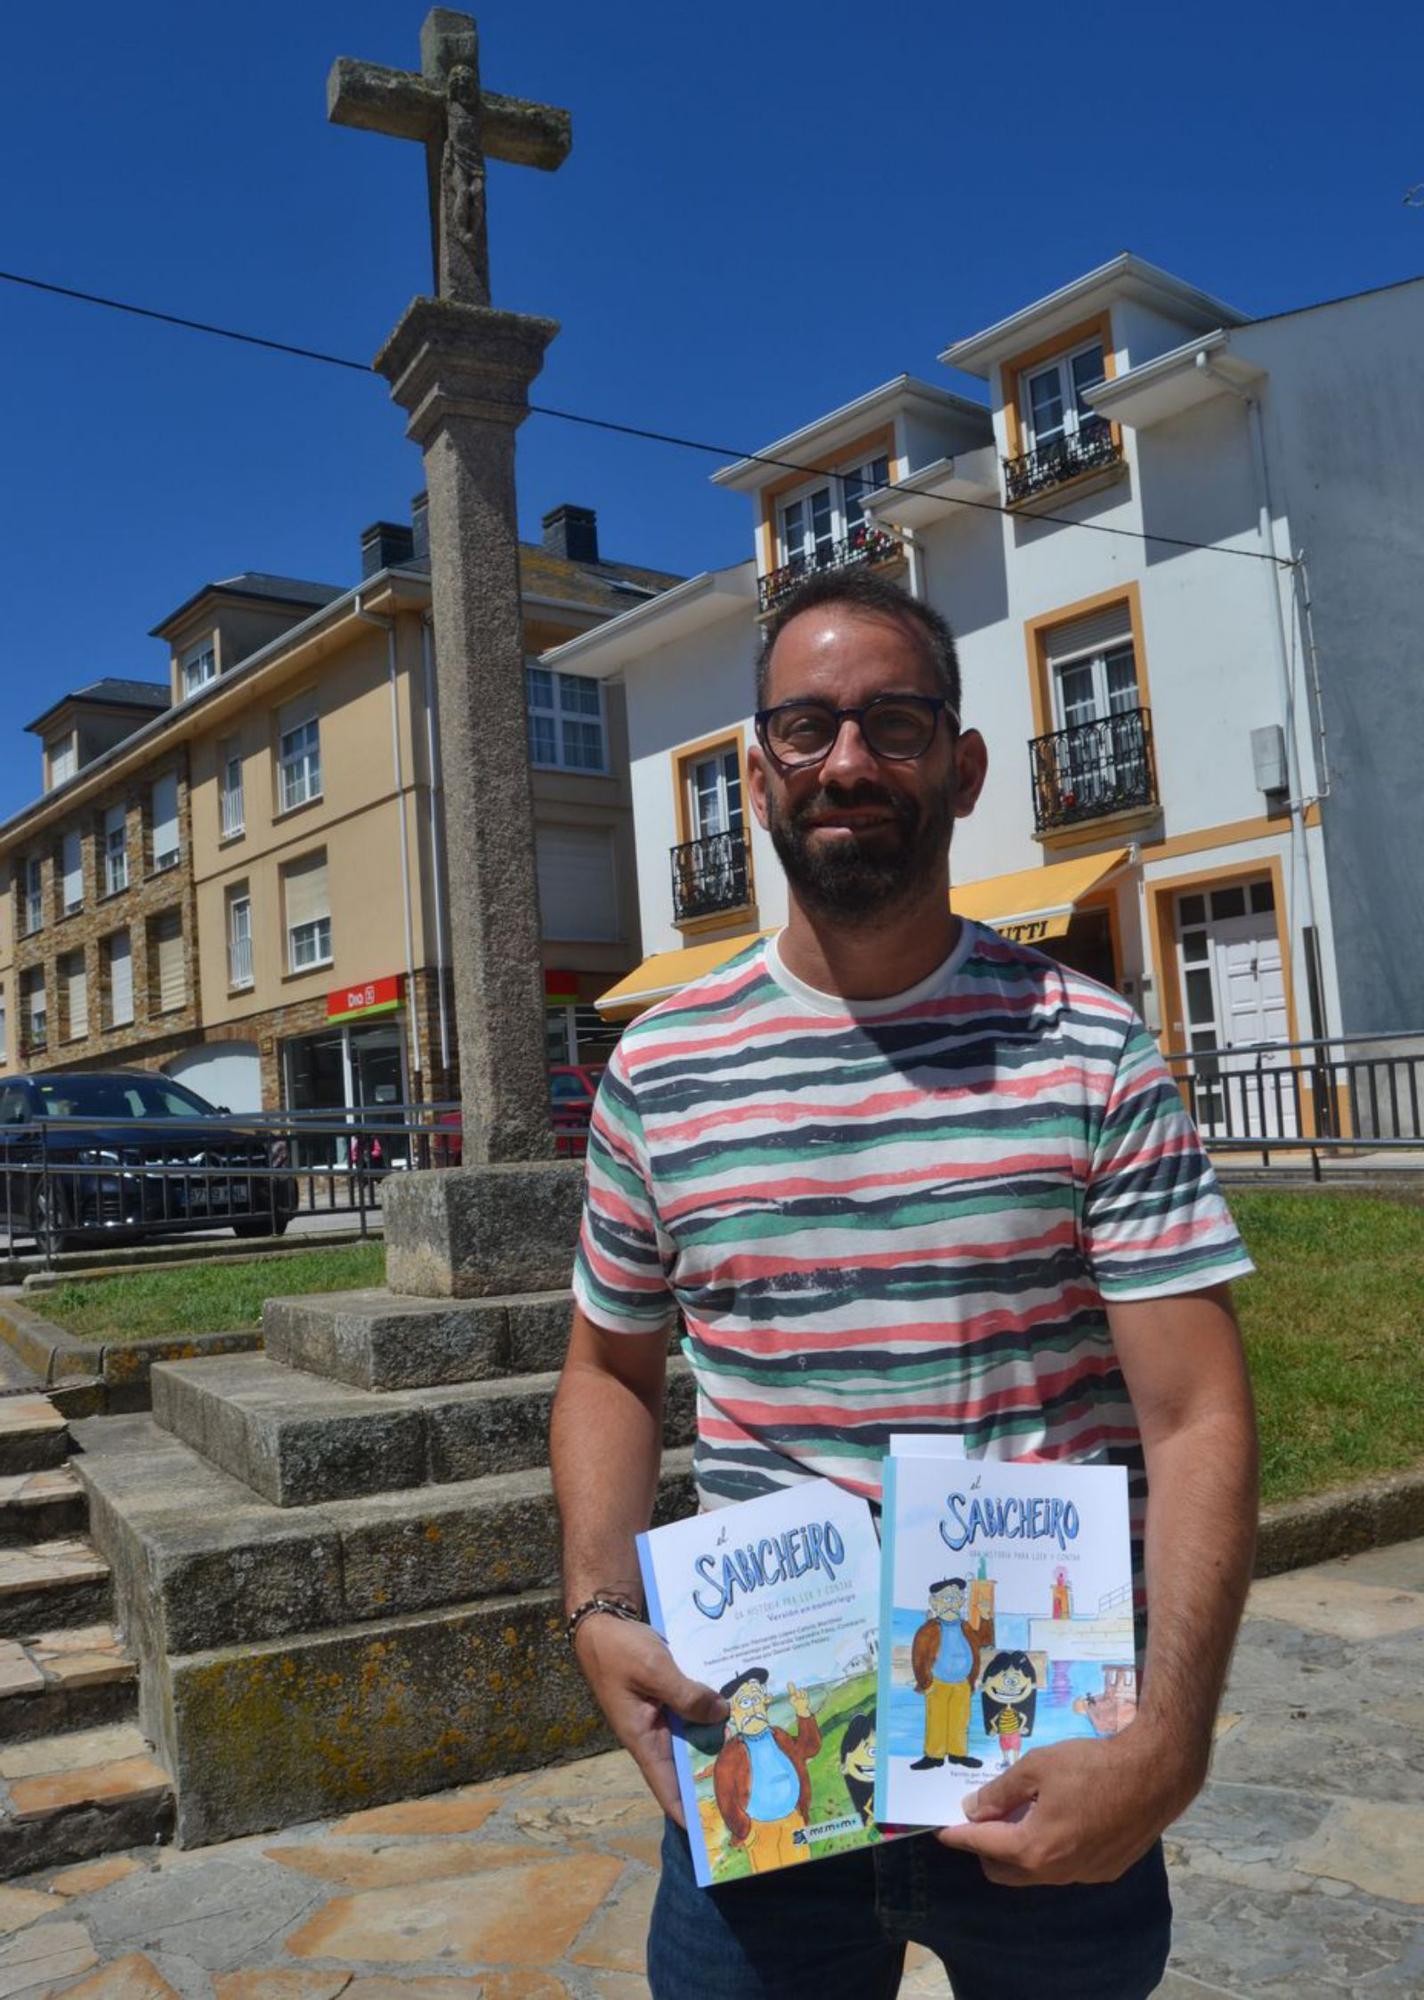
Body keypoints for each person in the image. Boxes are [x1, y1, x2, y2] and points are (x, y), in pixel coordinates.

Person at [550, 566, 1259, 2000]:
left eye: (896, 722)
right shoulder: (660, 1069)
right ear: (754, 777)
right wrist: (595, 1609)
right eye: (806, 729)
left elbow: (1197, 1416)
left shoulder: (1091, 1046)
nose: (850, 762)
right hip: (767, 1748)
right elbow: (607, 1371)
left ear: (966, 764)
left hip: (1043, 1744)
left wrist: (1171, 1741)